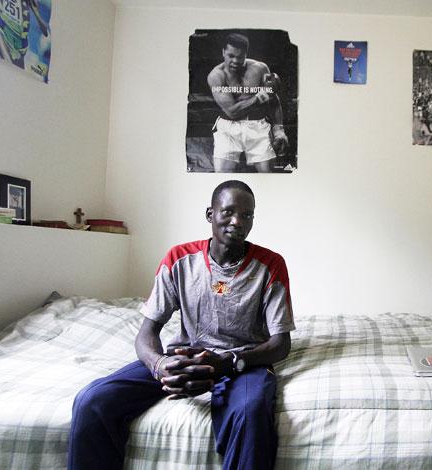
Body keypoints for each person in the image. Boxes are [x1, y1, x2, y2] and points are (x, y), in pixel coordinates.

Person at [68, 180, 295, 470]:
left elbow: (280, 344)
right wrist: (160, 364)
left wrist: (228, 362)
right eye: (227, 212)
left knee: (250, 413)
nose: (237, 221)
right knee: (92, 401)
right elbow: (147, 333)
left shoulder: (270, 264)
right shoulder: (179, 259)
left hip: (242, 362)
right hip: (182, 359)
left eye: (247, 215)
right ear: (209, 214)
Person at [207, 33, 289, 173]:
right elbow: (232, 111)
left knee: (268, 177)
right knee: (222, 176)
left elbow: (273, 100)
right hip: (228, 130)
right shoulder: (216, 76)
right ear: (223, 53)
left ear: (246, 53)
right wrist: (262, 95)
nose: (235, 61)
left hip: (258, 125)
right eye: (231, 56)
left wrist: (279, 129)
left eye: (240, 57)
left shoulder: (260, 68)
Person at [0, 0, 49, 68]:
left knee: (19, 71)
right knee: (7, 65)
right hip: (3, 28)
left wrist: (36, 12)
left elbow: (45, 32)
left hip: (20, 42)